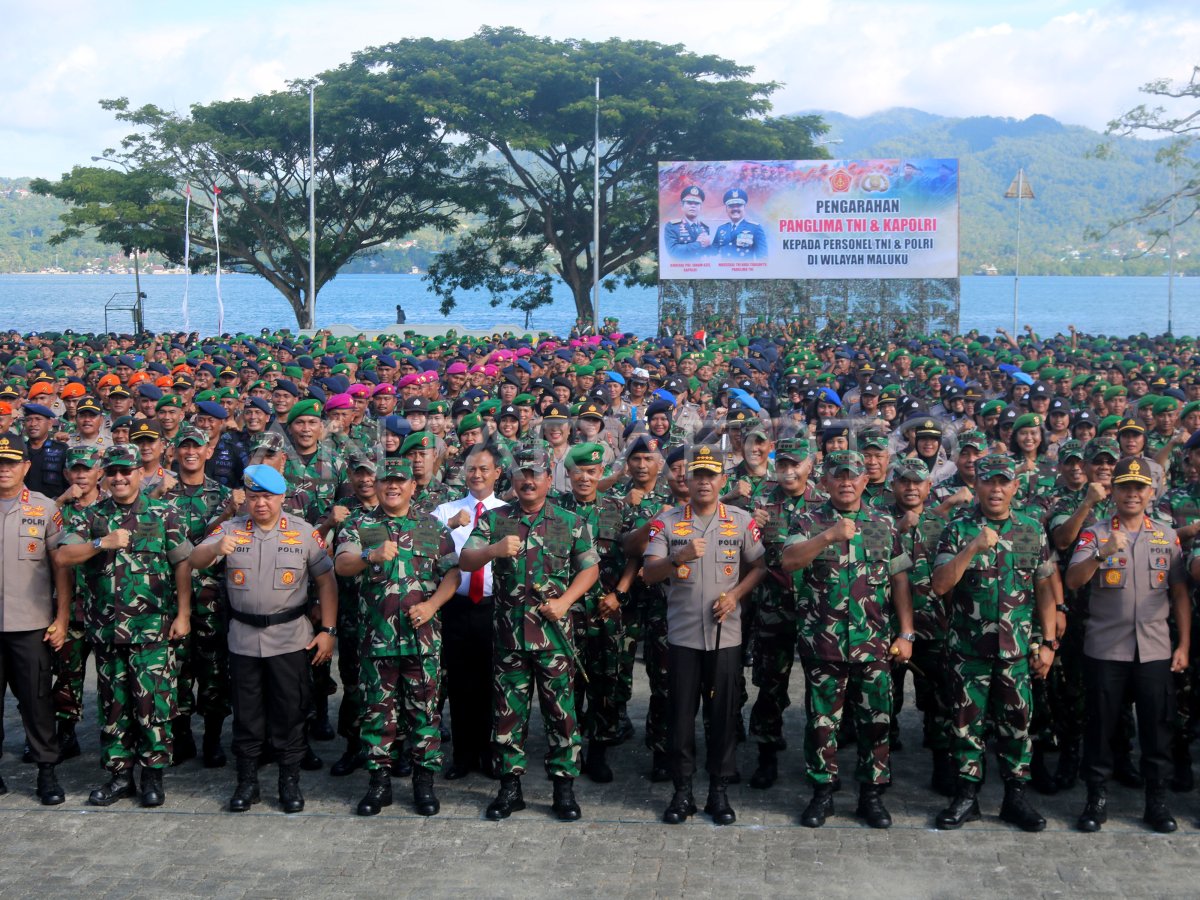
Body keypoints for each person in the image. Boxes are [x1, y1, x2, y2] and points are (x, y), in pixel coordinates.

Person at [459, 446, 600, 822]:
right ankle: (510, 789)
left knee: (562, 715)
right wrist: (493, 548)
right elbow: (465, 560)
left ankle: (563, 790)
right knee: (507, 715)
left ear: (548, 480)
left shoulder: (569, 521)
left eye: (536, 474)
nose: (529, 480)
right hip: (509, 639)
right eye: (522, 474)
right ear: (513, 479)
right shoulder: (496, 519)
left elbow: (589, 569)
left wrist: (567, 601)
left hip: (553, 637)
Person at [190, 464, 337, 814]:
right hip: (243, 639)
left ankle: (289, 781)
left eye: (268, 497)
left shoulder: (303, 533)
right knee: (247, 714)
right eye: (254, 497)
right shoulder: (229, 529)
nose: (260, 504)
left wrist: (328, 631)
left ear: (282, 498)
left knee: (290, 712)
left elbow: (327, 582)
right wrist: (214, 550)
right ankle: (248, 781)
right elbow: (193, 559)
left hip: (289, 638)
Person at [782, 449, 914, 829]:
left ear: (865, 481)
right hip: (824, 643)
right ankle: (822, 793)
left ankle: (870, 795)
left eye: (853, 476)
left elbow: (900, 580)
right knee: (822, 722)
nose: (846, 482)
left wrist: (906, 632)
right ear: (825, 482)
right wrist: (828, 536)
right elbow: (789, 561)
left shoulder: (883, 523)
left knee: (876, 720)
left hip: (873, 643)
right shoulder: (808, 519)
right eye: (838, 476)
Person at [57, 443, 194, 809]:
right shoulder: (90, 516)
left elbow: (182, 563)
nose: (119, 478)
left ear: (138, 473)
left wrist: (183, 614)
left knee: (153, 704)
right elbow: (62, 555)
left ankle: (153, 776)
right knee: (113, 706)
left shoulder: (166, 513)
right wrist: (101, 543)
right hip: (107, 630)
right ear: (104, 474)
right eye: (113, 472)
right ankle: (120, 776)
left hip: (153, 631)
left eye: (126, 471)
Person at [931, 454, 1059, 832]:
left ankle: (1014, 798)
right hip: (969, 651)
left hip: (1016, 652)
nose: (997, 489)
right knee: (965, 725)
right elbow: (939, 585)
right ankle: (967, 797)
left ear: (1015, 487)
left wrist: (1048, 642)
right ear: (977, 486)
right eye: (989, 482)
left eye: (1004, 482)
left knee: (1018, 725)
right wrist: (972, 548)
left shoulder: (1031, 529)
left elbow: (1044, 587)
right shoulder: (958, 529)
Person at [643, 445, 767, 826]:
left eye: (711, 475)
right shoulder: (665, 522)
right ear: (688, 480)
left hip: (725, 636)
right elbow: (649, 574)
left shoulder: (743, 521)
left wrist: (735, 595)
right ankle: (682, 793)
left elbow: (759, 567)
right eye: (697, 475)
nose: (703, 482)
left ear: (722, 481)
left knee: (723, 716)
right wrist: (676, 558)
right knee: (680, 717)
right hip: (681, 637)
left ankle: (719, 791)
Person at [1066, 456, 1190, 833]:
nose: (1132, 494)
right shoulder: (1095, 533)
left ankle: (1156, 801)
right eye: (1125, 487)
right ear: (1113, 492)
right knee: (1101, 726)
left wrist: (1183, 644)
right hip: (1106, 649)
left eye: (1139, 487)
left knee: (1157, 727)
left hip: (1154, 649)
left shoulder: (1167, 535)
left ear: (1151, 492)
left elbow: (1180, 593)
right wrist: (1103, 553)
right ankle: (1096, 798)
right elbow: (1073, 580)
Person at [335, 458, 461, 816]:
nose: (392, 487)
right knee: (377, 714)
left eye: (399, 481)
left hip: (423, 640)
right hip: (377, 641)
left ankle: (424, 783)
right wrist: (368, 555)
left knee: (424, 713)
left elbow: (452, 573)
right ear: (376, 486)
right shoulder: (359, 525)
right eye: (386, 481)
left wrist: (434, 605)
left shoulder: (431, 526)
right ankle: (379, 784)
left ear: (412, 486)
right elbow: (341, 565)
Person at [431, 443, 508, 781]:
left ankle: (491, 753)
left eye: (484, 469)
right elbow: (422, 545)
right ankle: (463, 755)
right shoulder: (446, 509)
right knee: (460, 684)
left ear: (497, 473)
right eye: (471, 469)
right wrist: (448, 523)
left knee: (493, 683)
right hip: (457, 606)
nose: (477, 475)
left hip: (495, 607)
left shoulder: (509, 512)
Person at [0, 433, 69, 805]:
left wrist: (61, 618)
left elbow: (61, 570)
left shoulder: (44, 509)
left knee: (37, 702)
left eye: (11, 463)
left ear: (26, 466)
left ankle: (46, 773)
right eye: (0, 463)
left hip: (31, 625)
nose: (4, 470)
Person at [711, 188, 767, 260]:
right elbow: (713, 253)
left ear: (744, 207)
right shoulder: (721, 229)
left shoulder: (755, 228)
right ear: (726, 209)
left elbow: (763, 257)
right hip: (724, 270)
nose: (735, 209)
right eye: (731, 206)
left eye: (738, 205)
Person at [663, 185, 713, 259]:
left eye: (696, 203)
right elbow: (673, 251)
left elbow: (706, 255)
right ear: (682, 206)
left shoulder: (705, 228)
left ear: (701, 207)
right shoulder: (672, 226)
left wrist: (710, 245)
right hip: (680, 268)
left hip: (701, 268)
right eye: (689, 203)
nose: (693, 206)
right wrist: (699, 244)